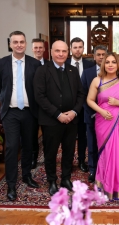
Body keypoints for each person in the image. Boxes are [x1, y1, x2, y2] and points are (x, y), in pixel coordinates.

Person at [0, 31, 41, 201]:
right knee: (13, 147)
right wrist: (6, 104)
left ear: (26, 43)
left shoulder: (35, 64)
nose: (19, 44)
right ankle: (11, 183)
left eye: (22, 41)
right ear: (10, 44)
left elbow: (38, 89)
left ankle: (27, 176)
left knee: (29, 146)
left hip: (30, 112)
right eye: (15, 42)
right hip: (11, 113)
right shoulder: (1, 64)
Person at [33, 40, 84, 196]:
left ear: (67, 52)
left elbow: (81, 94)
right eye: (57, 51)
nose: (61, 54)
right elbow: (39, 97)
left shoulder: (72, 70)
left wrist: (74, 112)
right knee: (51, 153)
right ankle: (52, 181)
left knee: (69, 152)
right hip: (51, 121)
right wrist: (58, 114)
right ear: (51, 52)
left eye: (64, 51)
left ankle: (66, 179)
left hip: (71, 120)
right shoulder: (42, 70)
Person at [87, 52, 119, 200]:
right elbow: (90, 100)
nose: (110, 65)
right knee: (105, 152)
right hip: (102, 121)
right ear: (103, 64)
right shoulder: (97, 81)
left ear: (118, 65)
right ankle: (103, 184)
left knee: (116, 152)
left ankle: (116, 186)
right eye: (107, 62)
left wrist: (118, 103)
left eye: (113, 62)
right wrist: (102, 111)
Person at [65, 37, 95, 173]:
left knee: (83, 136)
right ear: (71, 49)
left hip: (85, 107)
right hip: (68, 107)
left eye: (80, 47)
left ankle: (82, 160)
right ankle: (68, 161)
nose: (78, 50)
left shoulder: (90, 65)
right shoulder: (63, 64)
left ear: (84, 48)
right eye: (75, 47)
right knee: (68, 137)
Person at [81, 45, 107, 183]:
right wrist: (93, 111)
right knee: (91, 144)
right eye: (99, 55)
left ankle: (106, 169)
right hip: (91, 115)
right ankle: (92, 170)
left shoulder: (113, 71)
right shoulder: (87, 72)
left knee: (107, 144)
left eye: (104, 55)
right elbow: (83, 94)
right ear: (94, 56)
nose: (101, 57)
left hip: (109, 116)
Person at [31, 38, 49, 169]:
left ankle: (48, 158)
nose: (38, 50)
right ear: (32, 49)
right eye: (35, 47)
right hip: (31, 106)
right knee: (32, 135)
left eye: (40, 47)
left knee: (47, 136)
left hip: (47, 107)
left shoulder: (50, 64)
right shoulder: (27, 64)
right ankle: (34, 159)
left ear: (44, 49)